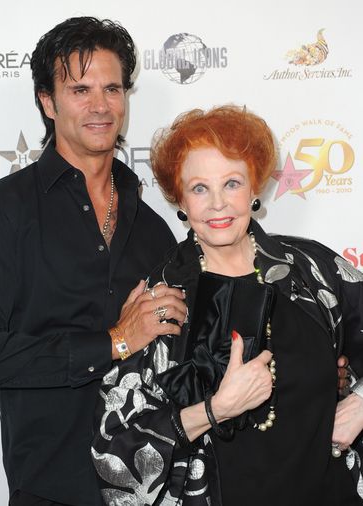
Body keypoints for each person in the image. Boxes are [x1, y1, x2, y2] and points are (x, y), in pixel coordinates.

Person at [92, 104, 363, 505]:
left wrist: (360, 403)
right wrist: (216, 408)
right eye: (200, 188)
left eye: (232, 183)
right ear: (179, 199)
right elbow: (115, 457)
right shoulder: (161, 301)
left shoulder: (315, 271)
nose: (218, 203)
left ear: (254, 188)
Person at [0, 17, 187, 506]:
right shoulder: (1, 211)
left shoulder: (154, 229)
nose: (100, 106)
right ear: (47, 101)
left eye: (112, 88)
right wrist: (112, 341)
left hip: (152, 488)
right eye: (80, 89)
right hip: (51, 489)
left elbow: (180, 357)